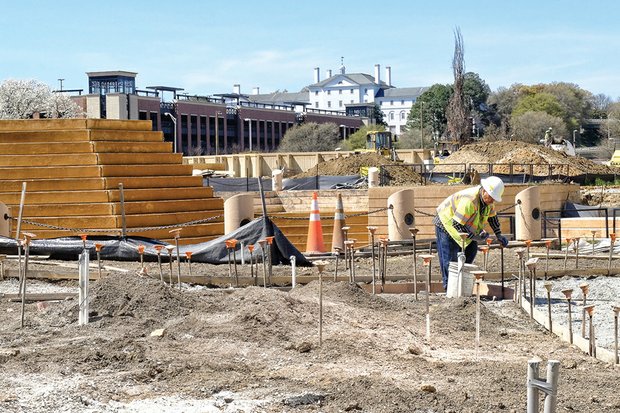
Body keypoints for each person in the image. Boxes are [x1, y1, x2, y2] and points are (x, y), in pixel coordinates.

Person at [433, 176, 509, 290]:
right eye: (492, 197)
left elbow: (492, 218)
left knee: (471, 251)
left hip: (463, 226)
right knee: (450, 260)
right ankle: (449, 288)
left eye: (494, 198)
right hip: (446, 223)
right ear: (484, 191)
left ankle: (461, 283)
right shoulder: (470, 200)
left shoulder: (488, 201)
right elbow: (457, 224)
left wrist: (499, 235)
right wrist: (475, 237)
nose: (493, 201)